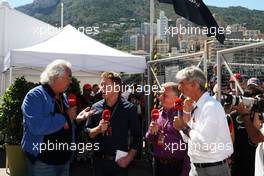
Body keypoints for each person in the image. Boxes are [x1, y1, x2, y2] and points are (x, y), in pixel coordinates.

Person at [21, 60, 94, 176]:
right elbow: (37, 126)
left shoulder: (62, 96)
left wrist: (76, 120)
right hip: (43, 162)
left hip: (64, 160)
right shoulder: (35, 95)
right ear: (56, 77)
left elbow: (64, 125)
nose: (70, 81)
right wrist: (66, 116)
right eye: (69, 77)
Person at [173, 66, 233, 176]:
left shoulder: (210, 106)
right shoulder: (199, 106)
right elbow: (187, 138)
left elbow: (205, 144)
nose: (179, 87)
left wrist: (183, 126)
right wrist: (186, 115)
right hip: (198, 167)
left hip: (212, 169)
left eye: (182, 83)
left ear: (194, 84)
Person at [84, 71, 142, 176]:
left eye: (105, 85)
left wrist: (129, 158)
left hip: (120, 162)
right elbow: (87, 132)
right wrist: (98, 129)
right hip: (99, 162)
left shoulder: (129, 108)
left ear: (117, 87)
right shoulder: (95, 107)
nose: (101, 88)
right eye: (101, 85)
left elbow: (137, 136)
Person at [145, 82, 190, 176]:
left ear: (176, 98)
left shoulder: (184, 115)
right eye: (160, 94)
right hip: (159, 165)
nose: (160, 97)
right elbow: (149, 138)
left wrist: (185, 172)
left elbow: (191, 144)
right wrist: (152, 132)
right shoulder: (157, 113)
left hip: (178, 166)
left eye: (165, 95)